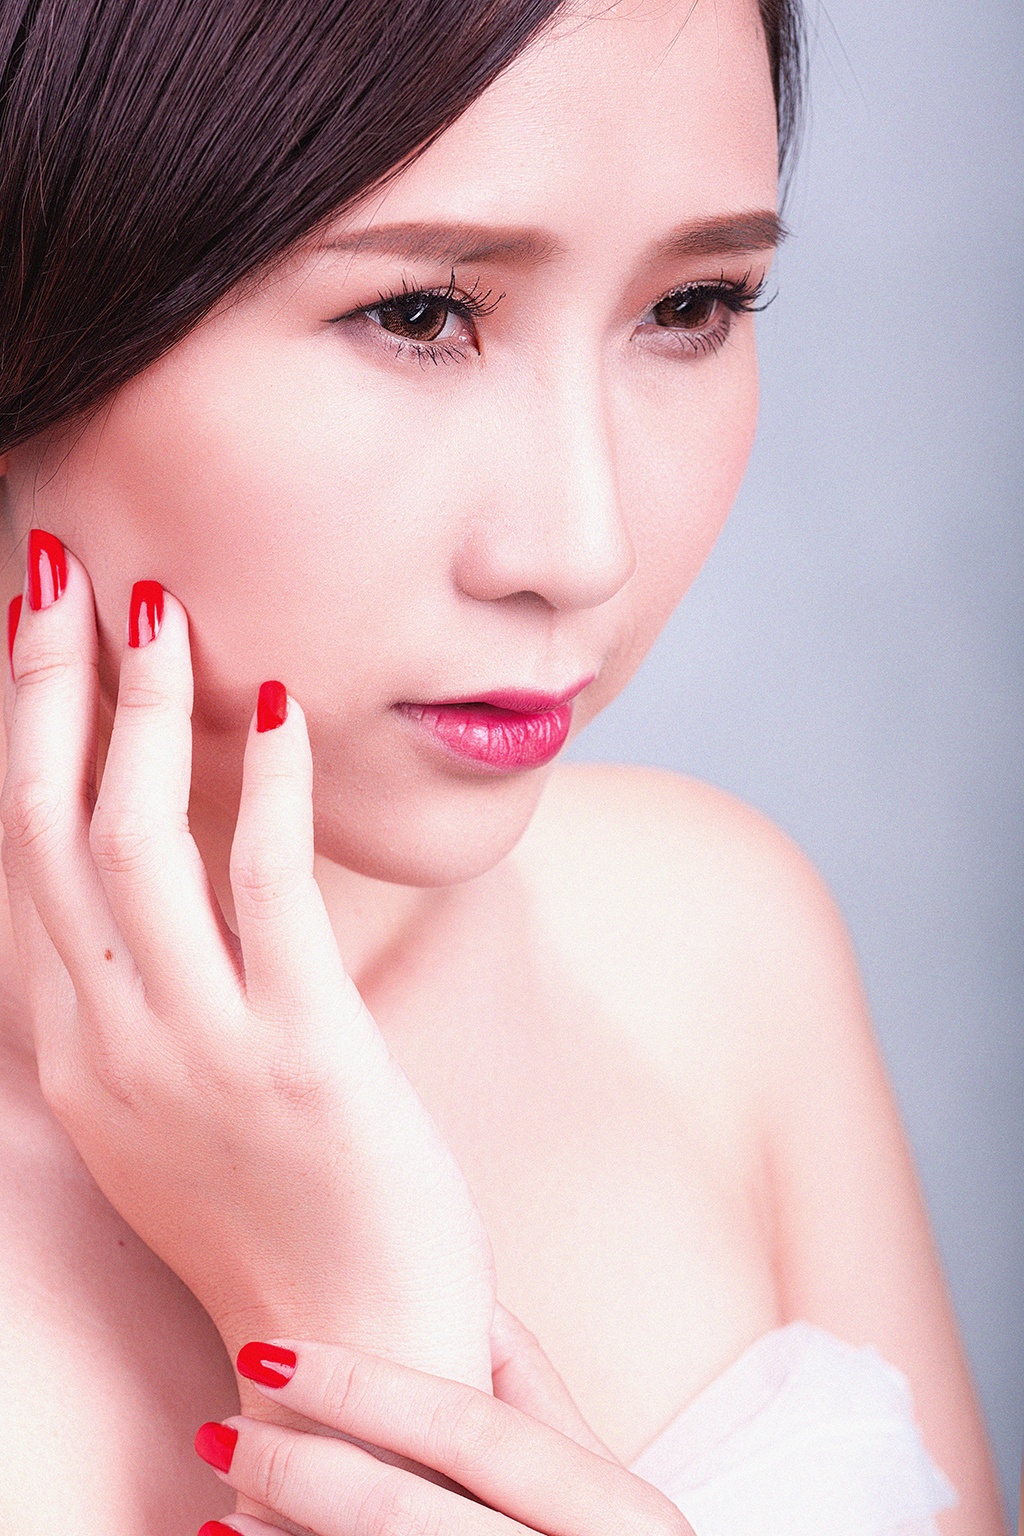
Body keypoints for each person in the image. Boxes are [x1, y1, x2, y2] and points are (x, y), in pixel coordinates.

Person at [0, 0, 1007, 1533]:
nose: (584, 547)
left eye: (694, 305)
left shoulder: (710, 944)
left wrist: (360, 1321)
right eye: (419, 314)